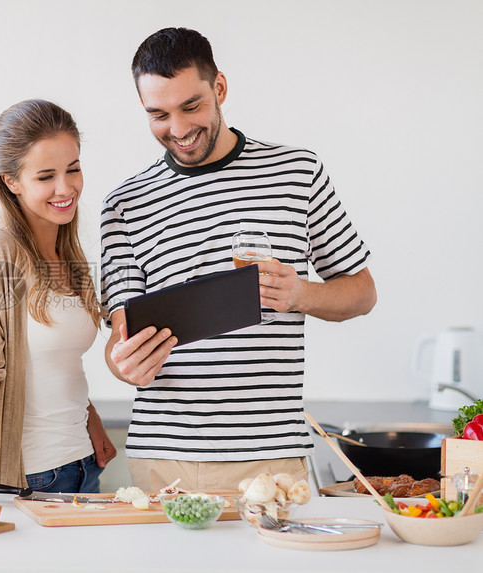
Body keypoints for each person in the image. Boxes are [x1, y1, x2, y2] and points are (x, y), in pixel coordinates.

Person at [100, 27, 377, 493]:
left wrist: (302, 293)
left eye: (191, 106)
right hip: (164, 460)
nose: (179, 129)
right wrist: (123, 365)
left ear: (220, 88)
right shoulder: (125, 205)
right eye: (158, 115)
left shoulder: (298, 172)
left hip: (271, 459)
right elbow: (118, 339)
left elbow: (363, 292)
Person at [0, 99, 117, 494]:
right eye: (46, 177)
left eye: (73, 169)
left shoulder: (70, 255)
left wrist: (90, 418)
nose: (66, 187)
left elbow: (55, 361)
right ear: (11, 181)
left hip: (84, 466)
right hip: (31, 478)